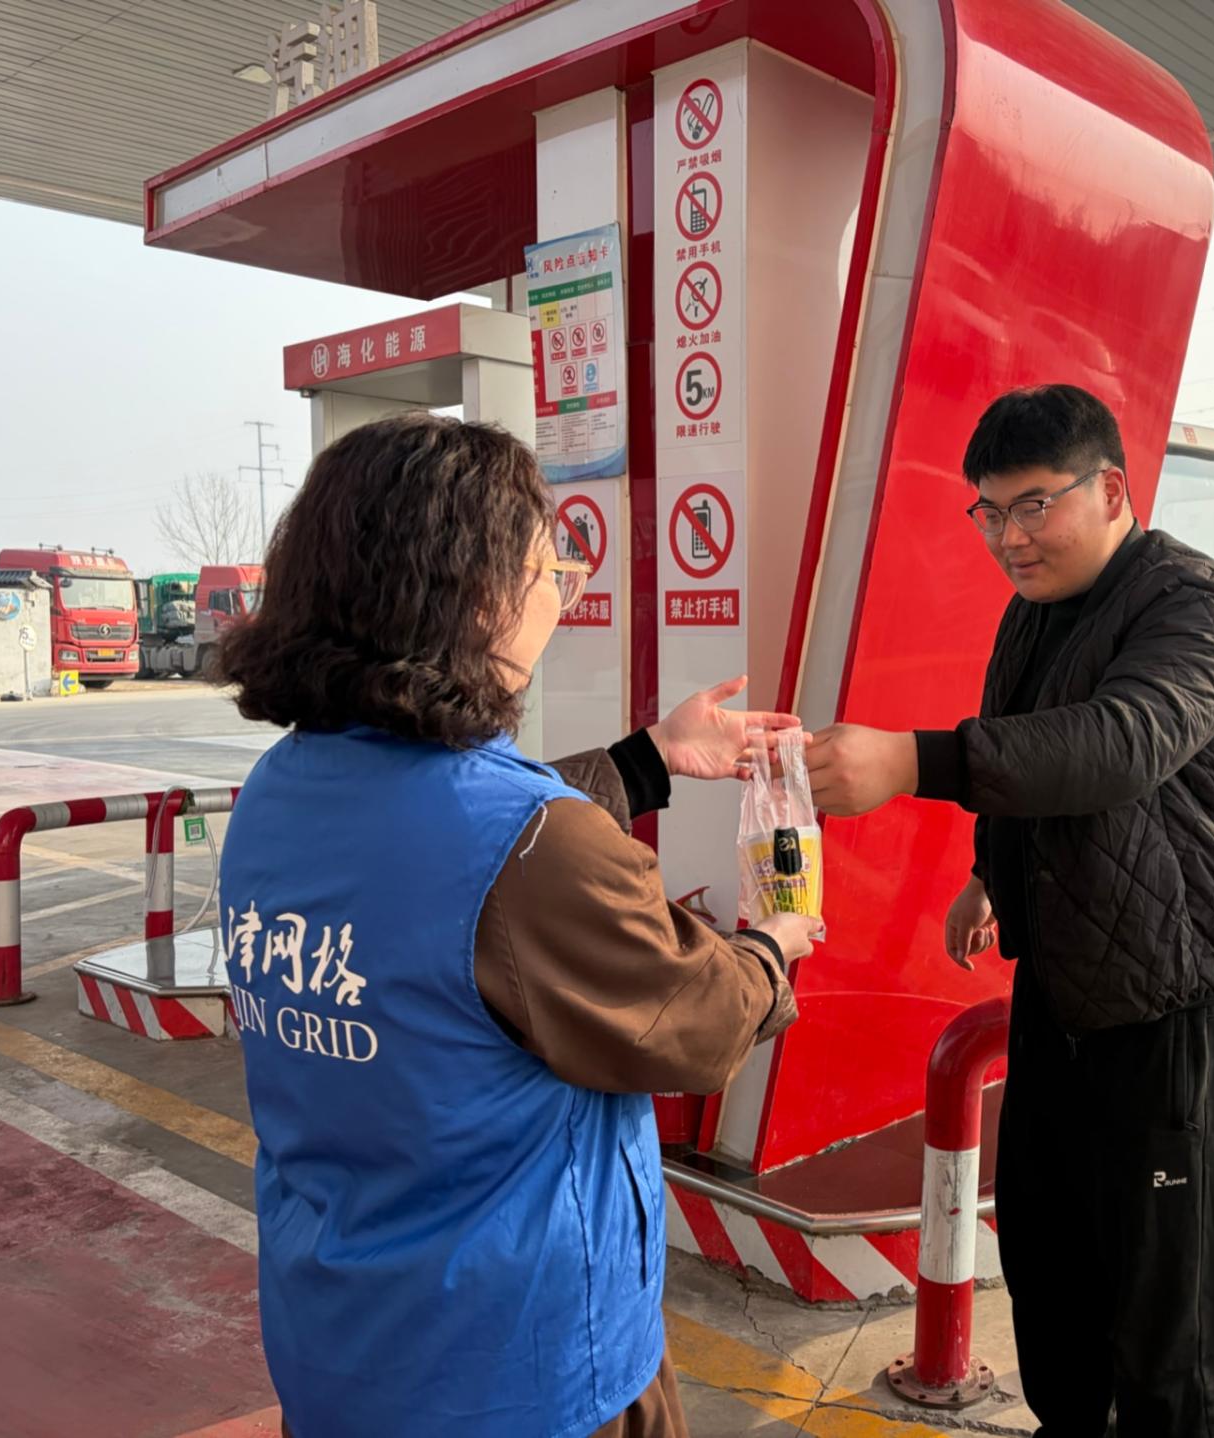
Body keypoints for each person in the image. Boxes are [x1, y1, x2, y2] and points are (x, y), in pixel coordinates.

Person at [214, 413, 822, 1438]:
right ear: (480, 595)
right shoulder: (533, 848)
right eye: (554, 570)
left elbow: (460, 844)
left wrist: (648, 759)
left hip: (341, 1349)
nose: (561, 598)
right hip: (523, 1371)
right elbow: (701, 1018)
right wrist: (772, 942)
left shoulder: (277, 793)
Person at [804, 384, 1214, 1437]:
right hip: (1064, 986)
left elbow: (1116, 746)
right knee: (1049, 1257)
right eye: (989, 512)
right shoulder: (1035, 611)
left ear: (1111, 489)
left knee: (1165, 1309)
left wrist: (910, 762)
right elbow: (1028, 748)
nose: (1009, 538)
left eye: (1033, 505)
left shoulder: (1191, 604)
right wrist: (992, 873)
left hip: (1173, 999)